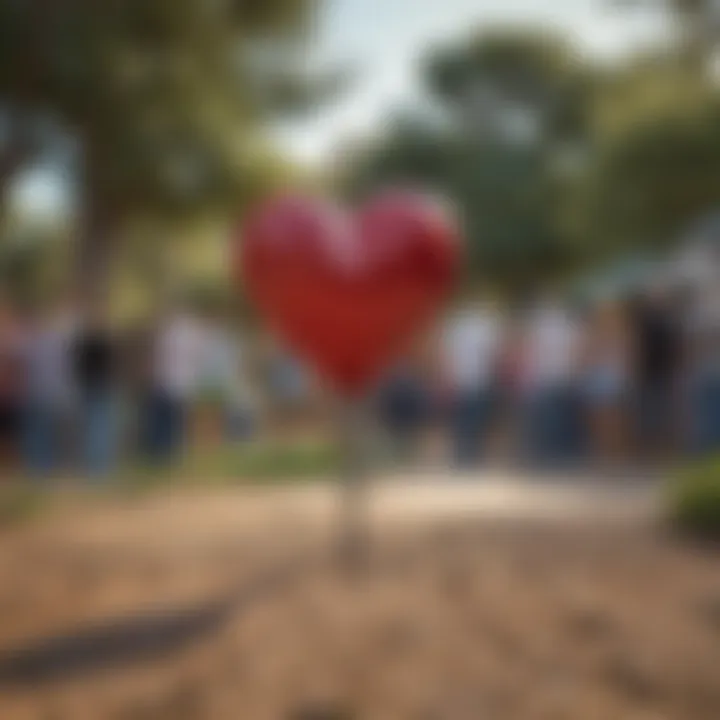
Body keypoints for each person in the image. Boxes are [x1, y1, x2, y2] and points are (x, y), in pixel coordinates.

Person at [441, 300, 502, 468]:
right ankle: (471, 457)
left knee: (464, 422)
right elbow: (493, 356)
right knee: (474, 422)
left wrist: (448, 377)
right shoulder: (485, 327)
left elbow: (449, 356)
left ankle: (463, 457)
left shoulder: (459, 327)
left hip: (466, 380)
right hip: (476, 380)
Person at [521, 299, 582, 467]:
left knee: (552, 418)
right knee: (557, 418)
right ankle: (553, 455)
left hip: (551, 376)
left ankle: (549, 454)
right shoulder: (567, 326)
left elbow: (531, 352)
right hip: (554, 376)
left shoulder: (543, 326)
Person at [23, 299, 77, 478]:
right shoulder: (59, 342)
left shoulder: (34, 342)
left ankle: (39, 465)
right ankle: (46, 465)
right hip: (52, 392)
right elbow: (67, 370)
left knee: (40, 430)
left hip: (39, 391)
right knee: (50, 430)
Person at [145, 304, 205, 464]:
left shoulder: (170, 333)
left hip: (169, 382)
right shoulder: (191, 334)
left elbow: (161, 359)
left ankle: (165, 453)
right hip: (181, 382)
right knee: (178, 420)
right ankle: (173, 453)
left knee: (169, 421)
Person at [629, 286, 684, 460]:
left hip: (665, 370)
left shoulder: (670, 319)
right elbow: (637, 346)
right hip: (647, 370)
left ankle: (663, 448)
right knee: (649, 410)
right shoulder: (642, 319)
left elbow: (676, 346)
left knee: (664, 409)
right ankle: (649, 448)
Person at [580, 299, 630, 468]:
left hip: (610, 377)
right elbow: (588, 354)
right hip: (597, 375)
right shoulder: (596, 331)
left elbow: (624, 357)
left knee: (611, 416)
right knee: (597, 416)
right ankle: (603, 452)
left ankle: (614, 453)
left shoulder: (619, 333)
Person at [72, 306, 119, 478]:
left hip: (90, 387)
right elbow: (112, 366)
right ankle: (100, 466)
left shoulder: (83, 344)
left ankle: (94, 466)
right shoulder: (103, 343)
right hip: (101, 386)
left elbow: (77, 367)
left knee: (92, 427)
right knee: (101, 427)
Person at [685, 282, 720, 456]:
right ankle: (706, 449)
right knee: (706, 413)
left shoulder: (701, 315)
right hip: (705, 371)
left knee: (708, 413)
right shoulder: (701, 315)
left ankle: (707, 449)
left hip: (707, 371)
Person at [0, 299, 26, 475]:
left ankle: (12, 469)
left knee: (10, 435)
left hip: (10, 396)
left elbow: (17, 369)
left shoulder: (14, 340)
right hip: (8, 394)